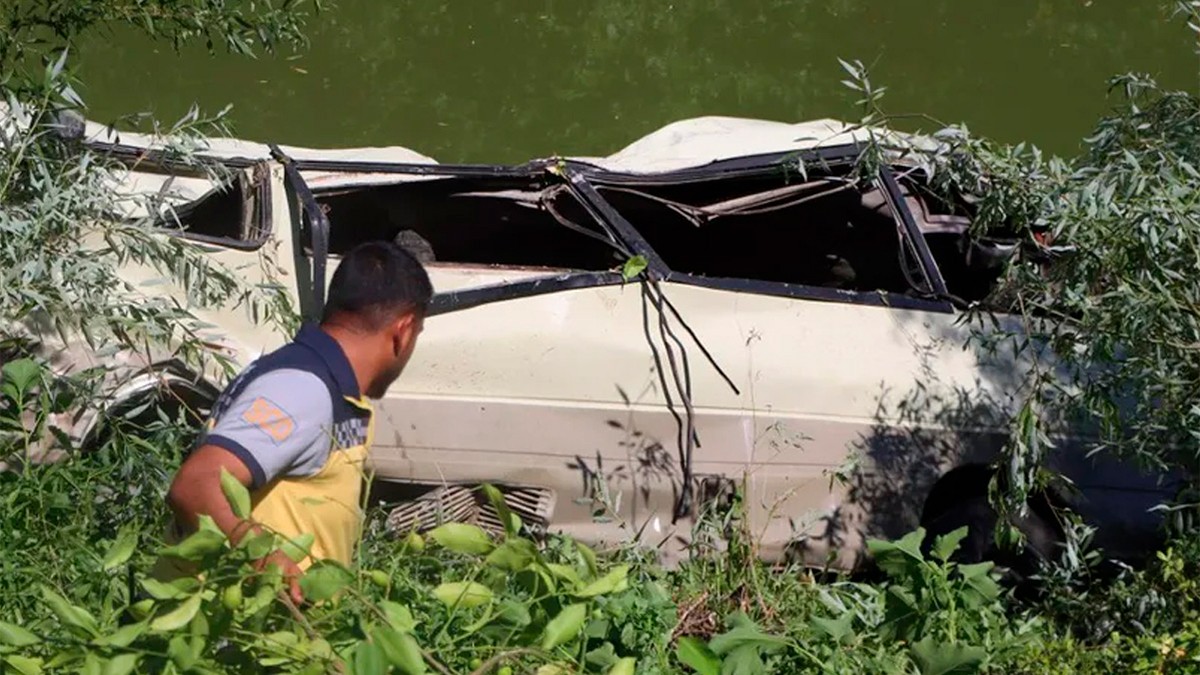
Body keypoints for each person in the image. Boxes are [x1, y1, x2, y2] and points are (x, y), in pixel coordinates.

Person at [163, 240, 432, 602]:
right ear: (404, 329)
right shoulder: (302, 390)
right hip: (217, 638)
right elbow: (196, 485)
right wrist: (261, 555)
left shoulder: (325, 386)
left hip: (273, 642)